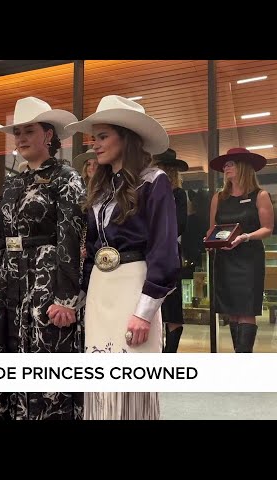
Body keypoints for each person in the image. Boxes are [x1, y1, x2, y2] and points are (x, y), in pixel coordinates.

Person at [0, 96, 86, 420]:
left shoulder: (67, 178)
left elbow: (71, 238)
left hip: (47, 284)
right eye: (17, 132)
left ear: (48, 134)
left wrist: (66, 297)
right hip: (10, 283)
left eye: (28, 131)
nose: (20, 138)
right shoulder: (12, 182)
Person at [65, 95, 178, 420]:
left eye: (102, 137)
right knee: (100, 384)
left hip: (134, 287)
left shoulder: (154, 182)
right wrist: (78, 300)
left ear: (126, 138)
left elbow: (165, 250)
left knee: (132, 384)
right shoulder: (100, 189)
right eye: (94, 138)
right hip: (101, 290)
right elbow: (92, 254)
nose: (95, 145)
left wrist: (144, 313)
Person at [209, 147, 274, 353]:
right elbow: (212, 229)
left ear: (243, 167)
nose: (226, 168)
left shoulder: (260, 195)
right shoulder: (218, 197)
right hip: (225, 259)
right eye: (225, 165)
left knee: (246, 309)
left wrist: (246, 237)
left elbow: (268, 228)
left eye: (230, 164)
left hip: (249, 258)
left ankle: (243, 359)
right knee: (231, 311)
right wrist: (209, 240)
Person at [153, 148, 188, 353]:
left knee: (172, 309)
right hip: (150, 253)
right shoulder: (148, 193)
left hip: (169, 253)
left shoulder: (178, 194)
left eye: (162, 168)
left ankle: (169, 356)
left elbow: (180, 225)